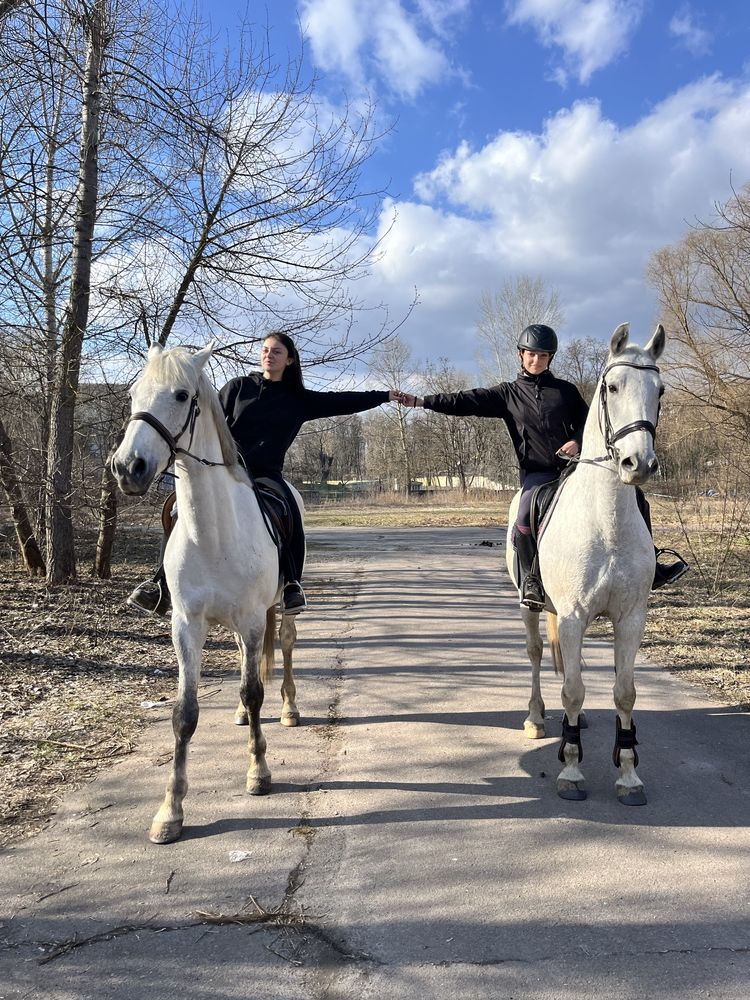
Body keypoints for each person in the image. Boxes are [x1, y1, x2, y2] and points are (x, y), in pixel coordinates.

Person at [395, 323, 688, 611]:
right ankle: (532, 578)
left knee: (637, 498)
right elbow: (464, 401)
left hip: (575, 468)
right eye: (531, 354)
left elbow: (592, 425)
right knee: (524, 513)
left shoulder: (566, 391)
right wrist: (422, 401)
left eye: (543, 355)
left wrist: (576, 441)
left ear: (551, 358)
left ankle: (652, 562)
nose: (537, 360)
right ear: (521, 355)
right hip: (538, 474)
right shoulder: (507, 394)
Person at [128, 332, 398, 616]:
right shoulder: (237, 387)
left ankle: (292, 582)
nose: (269, 355)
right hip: (227, 468)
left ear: (290, 360)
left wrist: (385, 396)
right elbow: (207, 420)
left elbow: (343, 401)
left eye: (277, 351)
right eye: (266, 350)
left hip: (266, 474)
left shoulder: (299, 399)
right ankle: (160, 584)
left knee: (289, 508)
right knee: (175, 507)